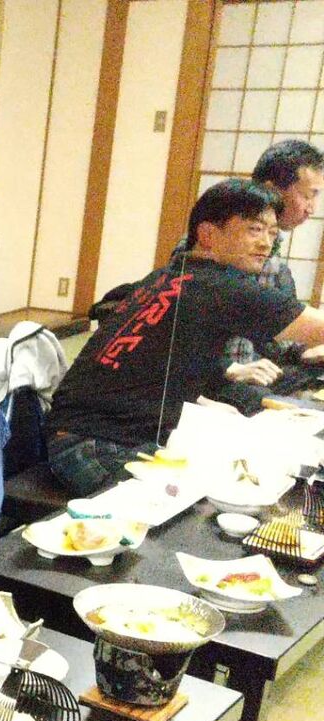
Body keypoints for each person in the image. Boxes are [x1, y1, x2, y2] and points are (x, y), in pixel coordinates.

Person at [47, 178, 324, 495]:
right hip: (95, 445)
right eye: (254, 229)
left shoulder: (168, 276)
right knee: (223, 494)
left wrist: (206, 401)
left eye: (272, 233)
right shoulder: (221, 286)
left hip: (82, 433)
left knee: (240, 463)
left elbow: (155, 363)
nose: (266, 244)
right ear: (207, 234)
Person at [174, 140, 324, 408]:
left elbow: (278, 334)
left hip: (258, 371)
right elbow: (177, 337)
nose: (312, 208)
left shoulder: (273, 261)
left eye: (271, 233)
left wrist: (306, 350)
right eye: (307, 195)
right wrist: (228, 368)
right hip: (215, 378)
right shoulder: (207, 254)